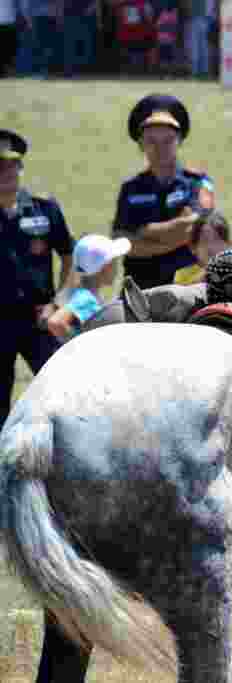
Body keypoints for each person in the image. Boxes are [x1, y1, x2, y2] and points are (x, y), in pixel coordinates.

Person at [0, 129, 75, 425]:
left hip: (39, 318)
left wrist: (58, 302)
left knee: (65, 391)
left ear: (20, 166)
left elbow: (70, 256)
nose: (5, 172)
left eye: (11, 164)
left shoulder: (45, 208)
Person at [112, 94, 215, 291]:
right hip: (140, 290)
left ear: (179, 141)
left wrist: (143, 232)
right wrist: (177, 227)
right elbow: (121, 243)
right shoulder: (130, 188)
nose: (160, 148)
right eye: (152, 141)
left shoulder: (197, 182)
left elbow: (195, 229)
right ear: (141, 144)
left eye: (168, 140)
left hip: (187, 287)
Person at [47, 234, 131, 340]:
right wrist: (80, 344)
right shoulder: (86, 298)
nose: (117, 267)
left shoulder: (85, 293)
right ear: (104, 268)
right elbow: (55, 323)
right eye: (113, 262)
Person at [173, 210, 231, 285]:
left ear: (228, 244)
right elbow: (181, 290)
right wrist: (211, 271)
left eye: (217, 239)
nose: (211, 246)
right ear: (193, 247)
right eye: (205, 240)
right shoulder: (182, 275)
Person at [63, 0, 98, 77]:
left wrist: (90, 10)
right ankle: (69, 71)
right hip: (70, 16)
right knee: (70, 46)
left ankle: (80, 70)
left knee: (85, 46)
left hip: (85, 18)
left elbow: (95, 3)